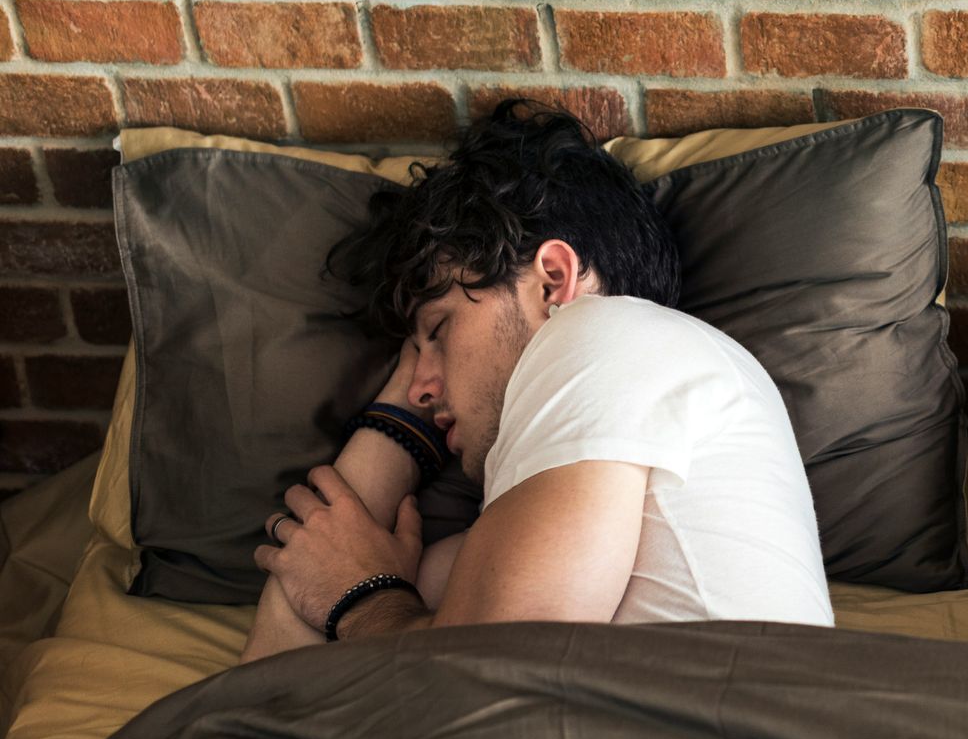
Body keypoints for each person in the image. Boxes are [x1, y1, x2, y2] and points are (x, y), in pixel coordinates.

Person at [239, 99, 834, 663]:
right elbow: (274, 671)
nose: (420, 387)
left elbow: (493, 664)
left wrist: (361, 598)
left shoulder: (607, 333)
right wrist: (402, 408)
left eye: (439, 330)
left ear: (552, 281)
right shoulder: (519, 535)